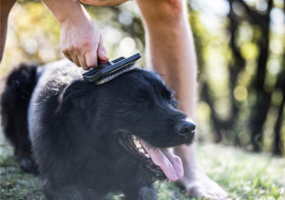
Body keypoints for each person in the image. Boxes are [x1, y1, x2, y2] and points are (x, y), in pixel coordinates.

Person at [0, 0, 227, 199]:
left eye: (167, 100)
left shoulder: (129, 143)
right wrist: (71, 17)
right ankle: (22, 151)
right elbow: (60, 186)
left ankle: (186, 164)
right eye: (140, 102)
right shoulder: (63, 119)